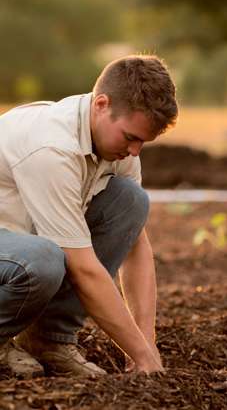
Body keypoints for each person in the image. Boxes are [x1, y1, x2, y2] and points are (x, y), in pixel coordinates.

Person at [0, 54, 178, 378]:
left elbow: (135, 246)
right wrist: (140, 354)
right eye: (130, 137)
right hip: (11, 247)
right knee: (43, 260)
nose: (136, 151)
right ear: (101, 105)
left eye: (143, 142)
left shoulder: (115, 146)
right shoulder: (52, 149)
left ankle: (48, 341)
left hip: (15, 238)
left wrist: (146, 345)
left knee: (130, 201)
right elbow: (83, 269)